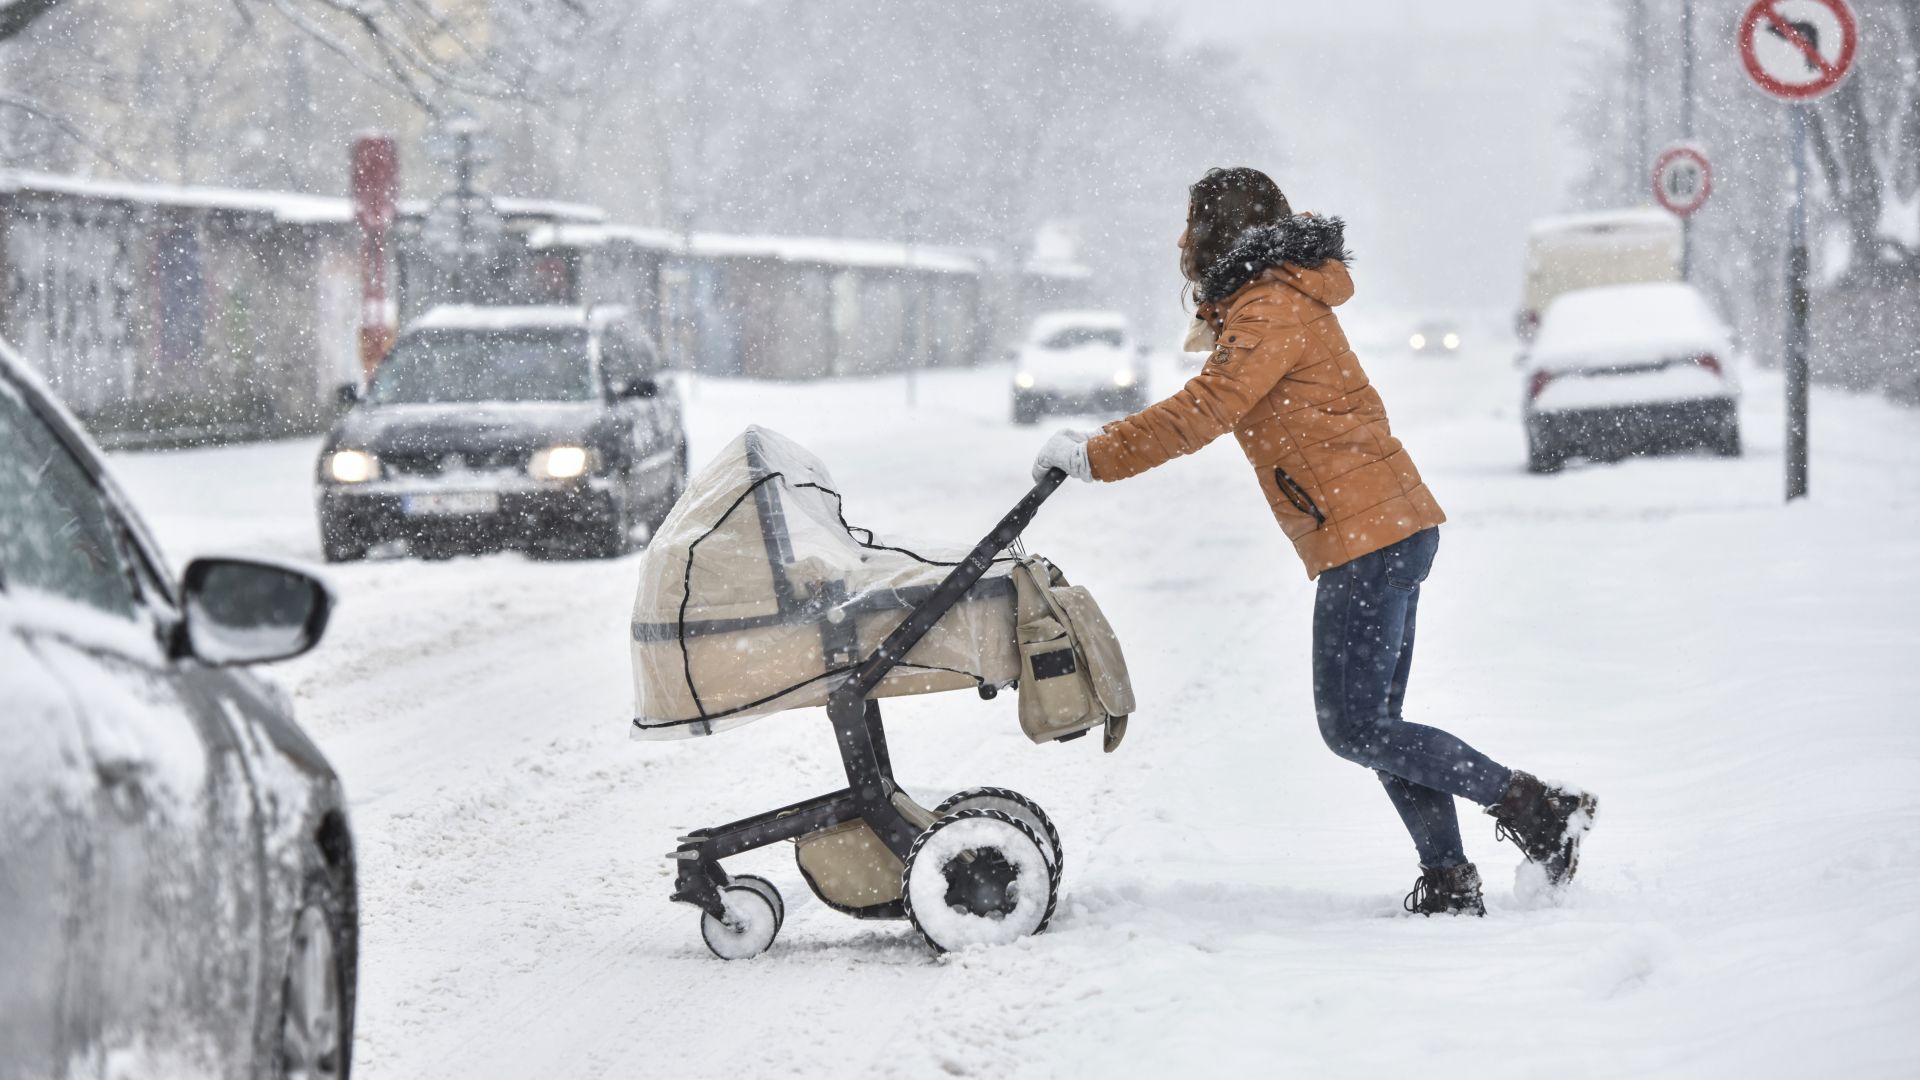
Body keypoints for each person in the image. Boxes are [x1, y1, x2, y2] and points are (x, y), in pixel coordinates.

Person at [1031, 166, 1596, 916]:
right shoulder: (1272, 298)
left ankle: (1535, 806)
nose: (1179, 238)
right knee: (1379, 728)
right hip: (1383, 529)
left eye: (1190, 222)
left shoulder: (1269, 307)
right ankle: (1452, 877)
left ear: (1218, 231)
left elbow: (1206, 408)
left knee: (1355, 727)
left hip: (1368, 538)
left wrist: (1094, 454)